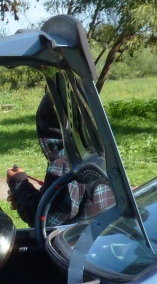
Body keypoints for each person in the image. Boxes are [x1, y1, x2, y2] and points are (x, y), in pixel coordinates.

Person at [6, 93, 114, 229]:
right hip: (101, 235)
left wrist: (19, 185)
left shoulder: (65, 161)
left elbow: (47, 217)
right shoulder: (98, 153)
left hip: (76, 244)